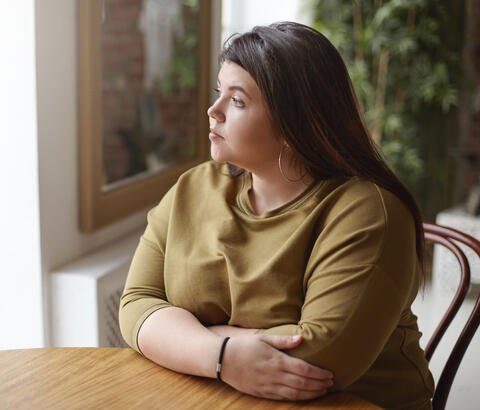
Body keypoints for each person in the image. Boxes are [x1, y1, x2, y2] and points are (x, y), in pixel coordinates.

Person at [119, 21, 434, 409]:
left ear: (294, 123)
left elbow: (319, 361)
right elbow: (136, 303)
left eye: (236, 101)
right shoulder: (194, 188)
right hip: (219, 396)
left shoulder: (369, 212)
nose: (212, 110)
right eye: (220, 92)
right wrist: (223, 357)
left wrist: (186, 336)